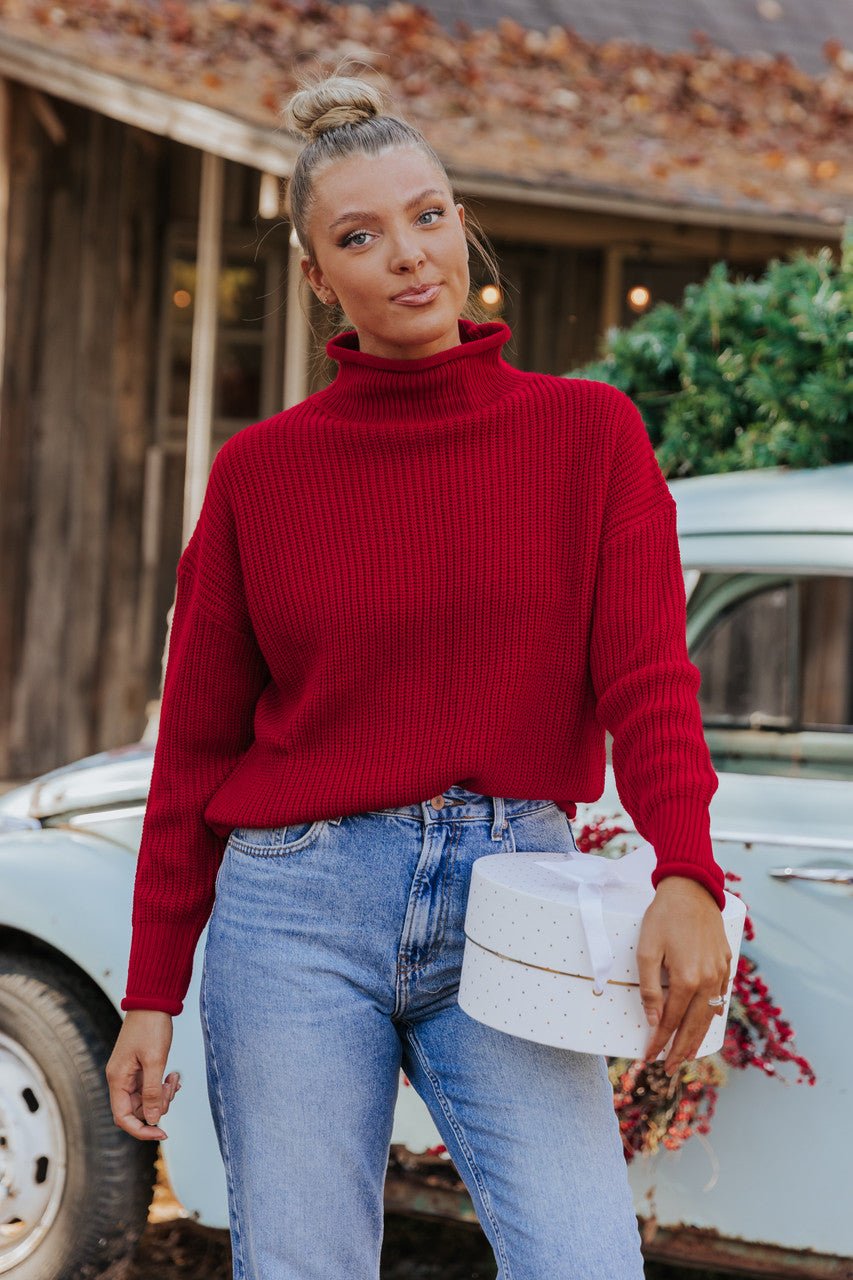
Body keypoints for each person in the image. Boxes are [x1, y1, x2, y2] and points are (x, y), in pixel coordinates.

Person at [106, 71, 732, 1280]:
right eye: (360, 234)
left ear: (461, 223)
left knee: (584, 1259)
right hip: (294, 913)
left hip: (515, 901)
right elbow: (193, 750)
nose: (408, 255)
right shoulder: (260, 476)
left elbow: (649, 678)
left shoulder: (588, 438)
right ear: (314, 276)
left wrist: (685, 870)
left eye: (428, 214)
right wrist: (150, 990)